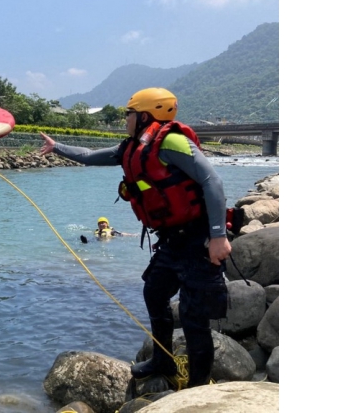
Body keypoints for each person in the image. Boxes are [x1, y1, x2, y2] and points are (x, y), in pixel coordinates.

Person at [39, 87, 230, 389]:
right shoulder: (131, 148)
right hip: (171, 240)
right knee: (154, 292)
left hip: (200, 239)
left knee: (195, 317)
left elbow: (212, 181)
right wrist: (57, 147)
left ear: (143, 115)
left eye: (127, 114)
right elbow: (89, 156)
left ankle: (196, 388)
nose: (124, 119)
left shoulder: (173, 142)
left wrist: (219, 235)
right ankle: (162, 359)